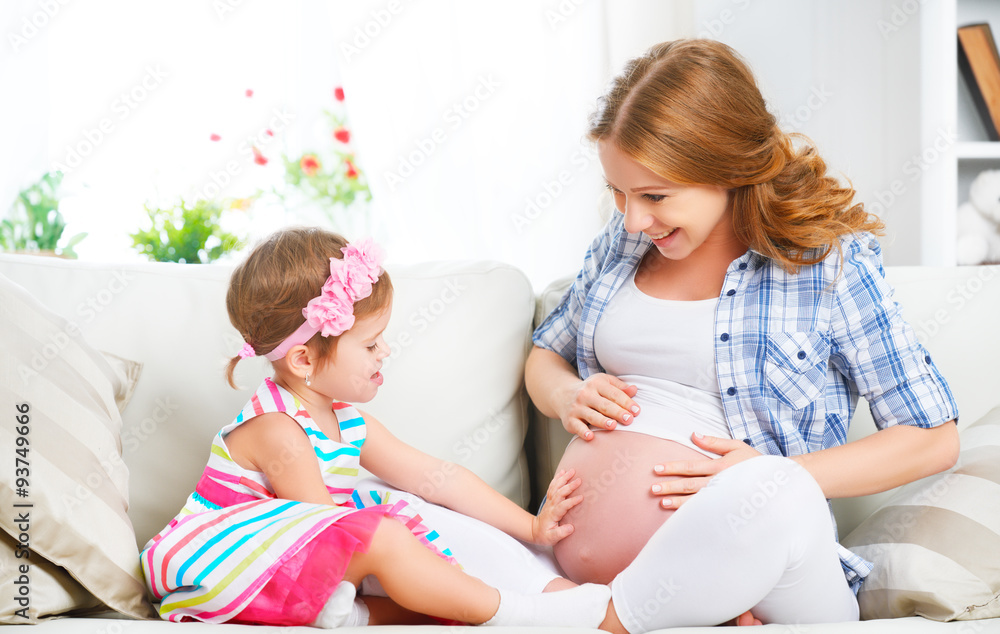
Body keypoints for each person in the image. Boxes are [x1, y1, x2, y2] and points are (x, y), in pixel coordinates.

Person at [525, 39, 960, 633]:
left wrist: (768, 479)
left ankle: (599, 617)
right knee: (403, 507)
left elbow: (932, 439)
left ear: (729, 170)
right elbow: (546, 354)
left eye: (654, 196)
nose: (633, 219)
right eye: (618, 193)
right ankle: (614, 609)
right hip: (577, 563)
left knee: (776, 493)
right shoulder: (625, 242)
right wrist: (565, 395)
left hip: (774, 565)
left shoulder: (826, 266)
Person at [139, 227, 612, 628]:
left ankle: (363, 612)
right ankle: (521, 614)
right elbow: (326, 533)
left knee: (408, 523)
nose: (384, 352)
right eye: (369, 345)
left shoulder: (348, 421)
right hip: (221, 567)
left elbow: (439, 477)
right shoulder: (278, 430)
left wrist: (532, 526)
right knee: (379, 532)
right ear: (304, 359)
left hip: (291, 567)